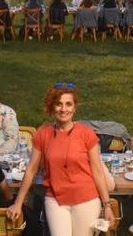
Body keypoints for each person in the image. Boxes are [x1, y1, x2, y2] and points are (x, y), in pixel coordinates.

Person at [6, 83, 114, 236]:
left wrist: (107, 205)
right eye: (59, 104)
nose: (64, 109)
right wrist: (18, 204)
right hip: (55, 199)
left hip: (86, 199)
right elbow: (31, 170)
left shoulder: (86, 134)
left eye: (68, 104)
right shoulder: (43, 134)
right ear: (52, 107)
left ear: (74, 108)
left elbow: (97, 171)